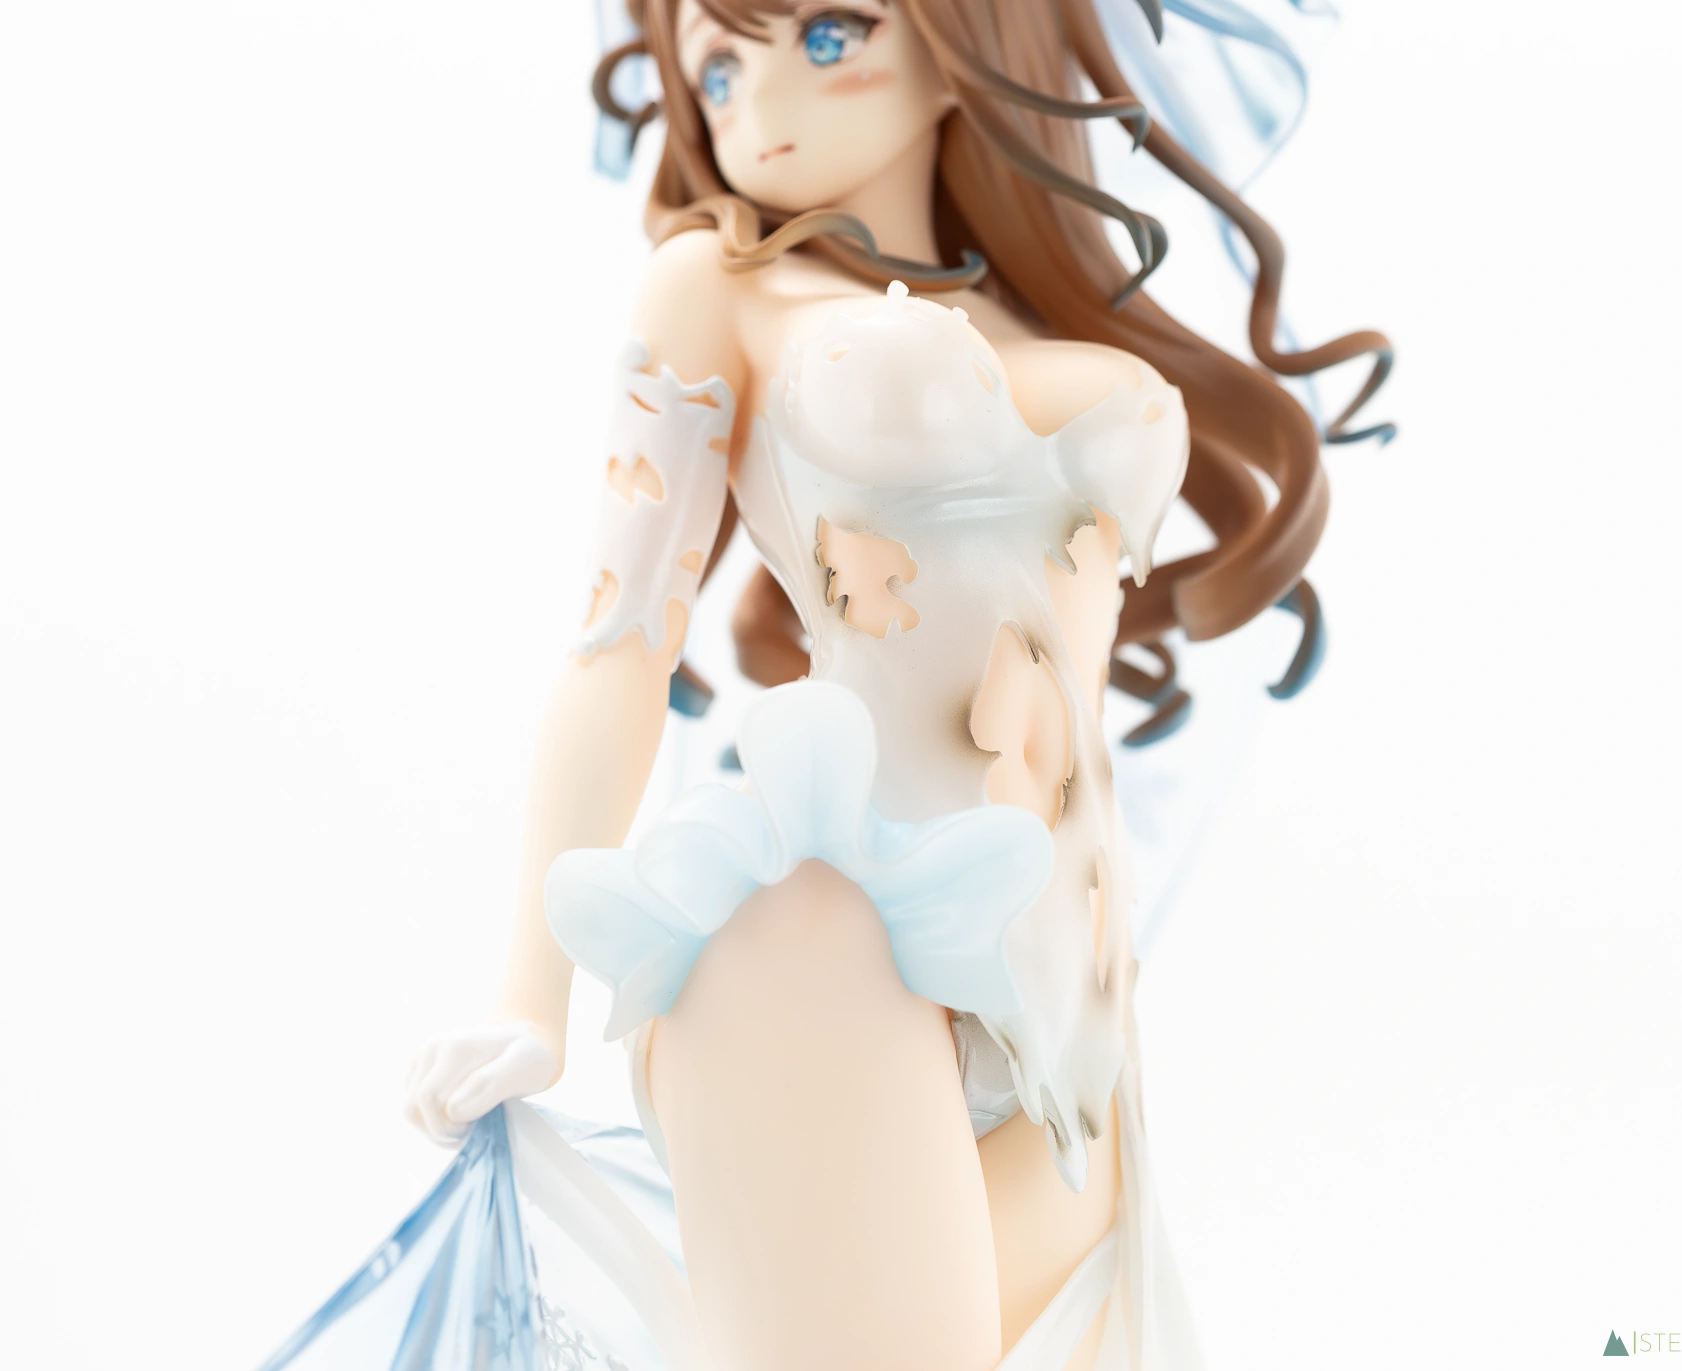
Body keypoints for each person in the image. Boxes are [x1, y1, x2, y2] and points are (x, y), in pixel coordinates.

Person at [275, 3, 1390, 1368]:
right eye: (715, 68)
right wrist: (530, 996)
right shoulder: (720, 290)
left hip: (1070, 1028)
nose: (755, 103)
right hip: (827, 940)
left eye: (820, 33)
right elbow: (617, 647)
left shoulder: (1048, 322)